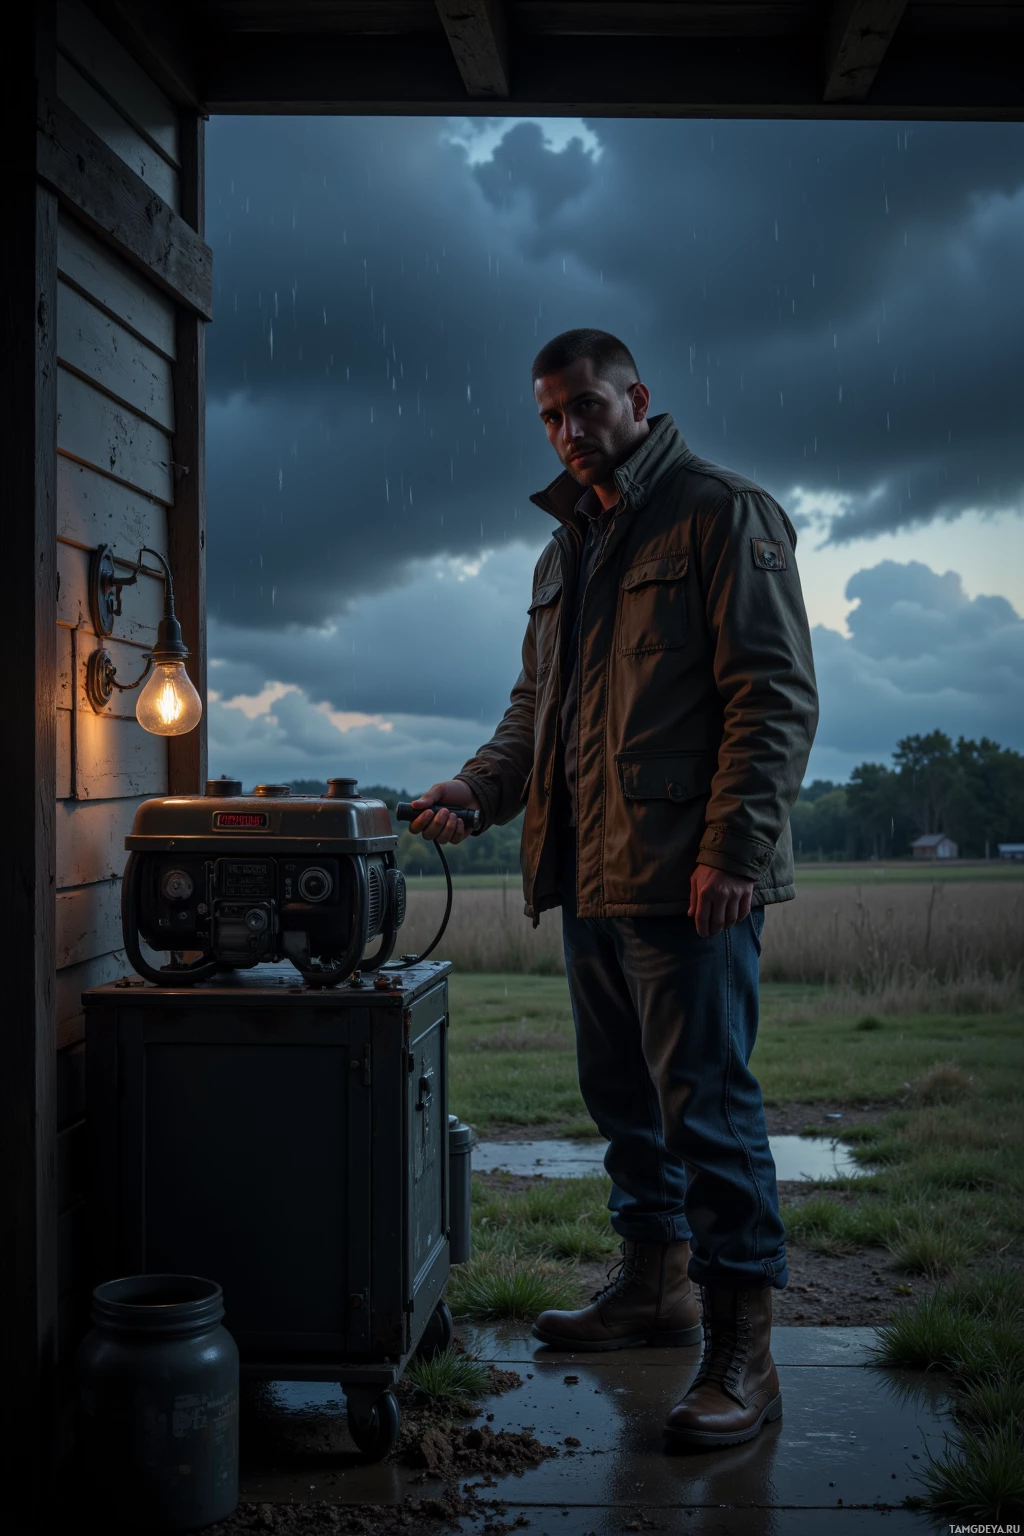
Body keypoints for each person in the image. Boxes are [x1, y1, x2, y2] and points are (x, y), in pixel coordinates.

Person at [408, 328, 818, 1450]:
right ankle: (651, 1289)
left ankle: (744, 1351)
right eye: (548, 415)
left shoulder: (722, 512)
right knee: (621, 1102)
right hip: (585, 873)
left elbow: (772, 696)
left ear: (636, 397)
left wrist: (732, 854)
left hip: (689, 882)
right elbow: (534, 711)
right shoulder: (563, 552)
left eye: (584, 407)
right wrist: (476, 791)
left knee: (709, 1111)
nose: (567, 431)